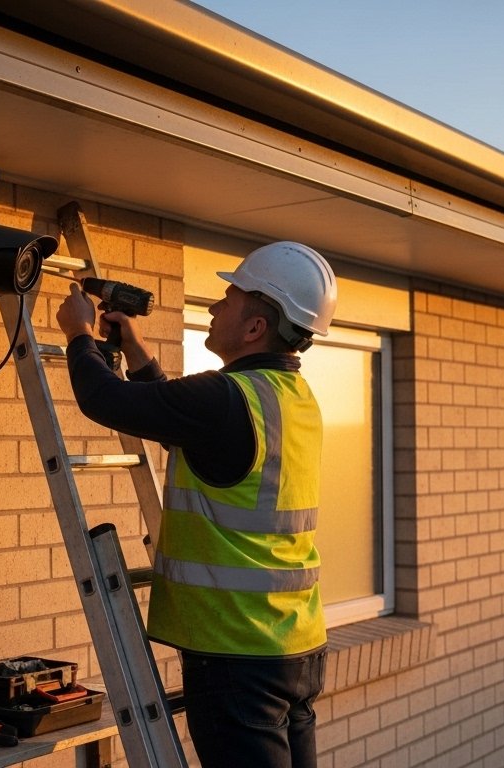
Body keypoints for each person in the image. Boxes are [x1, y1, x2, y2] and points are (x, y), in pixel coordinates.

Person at [54, 241, 338, 768]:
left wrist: (78, 334)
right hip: (294, 644)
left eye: (227, 299)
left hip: (236, 653)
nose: (213, 308)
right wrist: (135, 352)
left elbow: (104, 401)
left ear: (254, 327)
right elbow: (189, 425)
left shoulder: (225, 397)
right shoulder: (290, 397)